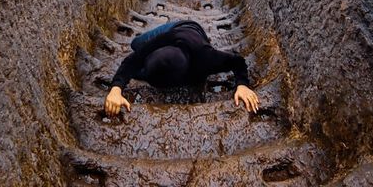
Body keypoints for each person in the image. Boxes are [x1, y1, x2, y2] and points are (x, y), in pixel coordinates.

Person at [104, 20, 259, 116]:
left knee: (139, 52)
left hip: (191, 28)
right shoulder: (160, 42)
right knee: (136, 44)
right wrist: (116, 89)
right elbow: (132, 61)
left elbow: (237, 61)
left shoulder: (206, 58)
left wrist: (242, 85)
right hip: (171, 32)